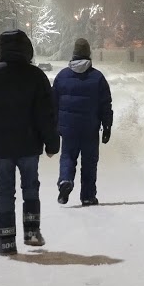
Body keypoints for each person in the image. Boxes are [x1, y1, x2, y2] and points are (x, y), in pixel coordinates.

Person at [0, 29, 59, 256]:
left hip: (1, 147)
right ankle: (31, 233)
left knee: (5, 192)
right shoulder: (36, 77)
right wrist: (51, 143)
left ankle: (6, 240)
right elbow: (46, 114)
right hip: (29, 145)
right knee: (30, 188)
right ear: (27, 49)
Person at [51, 38, 113, 206]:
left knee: (68, 157)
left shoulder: (62, 77)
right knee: (89, 162)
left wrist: (54, 126)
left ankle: (65, 180)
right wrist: (107, 126)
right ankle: (87, 195)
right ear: (88, 54)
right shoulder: (97, 78)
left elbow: (53, 103)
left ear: (74, 54)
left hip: (68, 129)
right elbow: (105, 104)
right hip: (90, 128)